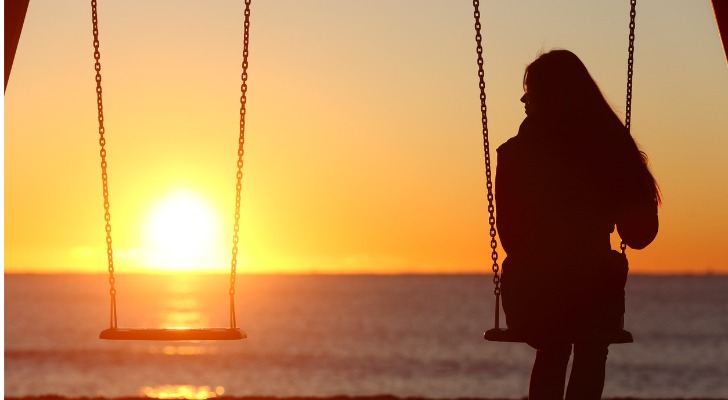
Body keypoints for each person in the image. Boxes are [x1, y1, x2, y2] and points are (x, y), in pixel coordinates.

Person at [495, 49, 660, 400]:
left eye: (532, 90)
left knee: (553, 347)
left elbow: (510, 235)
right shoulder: (611, 149)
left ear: (554, 96)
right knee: (591, 345)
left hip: (533, 292)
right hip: (593, 292)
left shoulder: (515, 155)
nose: (523, 99)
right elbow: (640, 234)